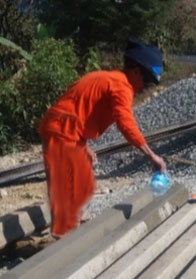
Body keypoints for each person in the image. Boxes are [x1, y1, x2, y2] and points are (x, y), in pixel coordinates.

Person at [39, 37, 167, 237]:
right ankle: (63, 249)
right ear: (135, 72)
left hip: (66, 129)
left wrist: (84, 145)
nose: (145, 87)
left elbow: (80, 110)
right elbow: (125, 123)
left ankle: (73, 225)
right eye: (146, 81)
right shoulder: (121, 86)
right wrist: (151, 155)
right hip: (62, 131)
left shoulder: (107, 79)